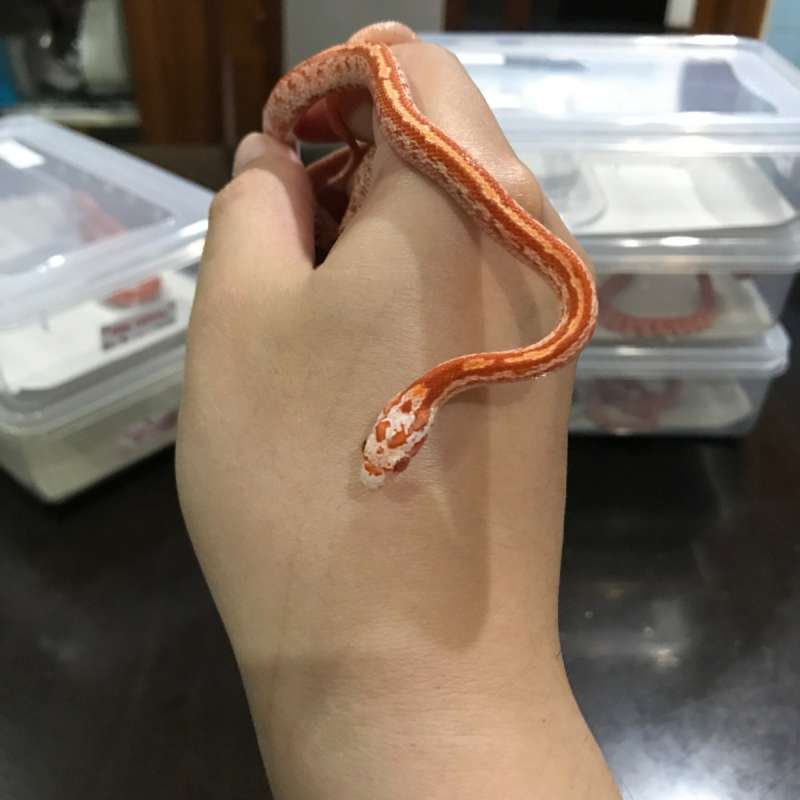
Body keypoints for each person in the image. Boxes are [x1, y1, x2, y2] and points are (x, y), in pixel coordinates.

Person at [176, 33, 622, 800]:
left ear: (409, 417)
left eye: (387, 452)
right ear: (405, 416)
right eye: (384, 453)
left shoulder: (492, 360)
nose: (380, 458)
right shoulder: (522, 336)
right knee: (385, 61)